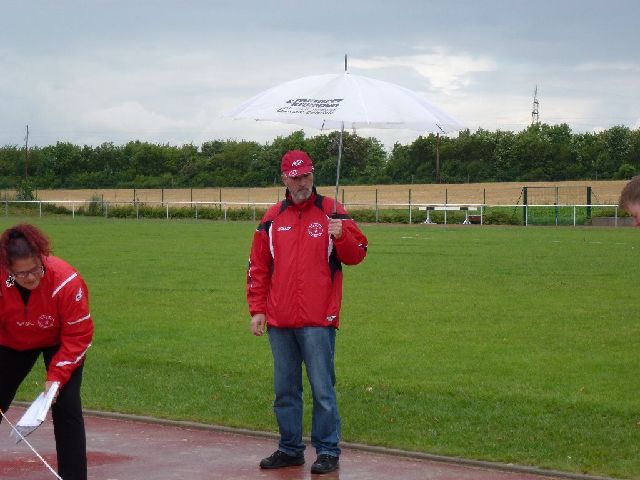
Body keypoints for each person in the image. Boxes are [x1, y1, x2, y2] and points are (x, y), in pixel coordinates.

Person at [247, 150, 368, 474]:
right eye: (295, 177)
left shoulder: (331, 210)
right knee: (285, 390)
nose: (302, 182)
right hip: (280, 319)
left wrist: (342, 236)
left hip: (318, 319)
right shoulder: (272, 217)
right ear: (284, 179)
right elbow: (258, 267)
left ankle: (327, 451)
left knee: (322, 389)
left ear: (313, 175)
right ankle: (290, 448)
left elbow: (358, 254)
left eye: (306, 176)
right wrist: (257, 309)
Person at [0, 223, 94, 480]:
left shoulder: (66, 281)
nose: (31, 277)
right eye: (22, 274)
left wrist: (57, 376)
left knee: (67, 407)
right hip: (12, 341)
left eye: (36, 269)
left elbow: (78, 335)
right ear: (8, 270)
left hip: (60, 342)